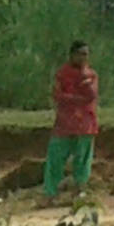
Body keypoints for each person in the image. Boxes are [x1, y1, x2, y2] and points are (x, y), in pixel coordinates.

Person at [45, 40, 99, 200]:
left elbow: (91, 95)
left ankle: (80, 190)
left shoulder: (91, 75)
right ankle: (50, 193)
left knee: (82, 159)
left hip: (85, 123)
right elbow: (57, 96)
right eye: (80, 54)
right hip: (64, 123)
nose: (83, 58)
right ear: (72, 55)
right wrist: (77, 98)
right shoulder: (62, 74)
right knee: (55, 158)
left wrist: (77, 93)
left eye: (86, 54)